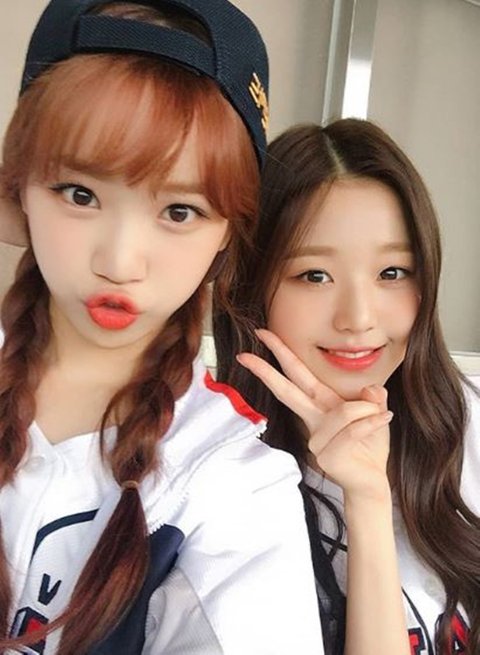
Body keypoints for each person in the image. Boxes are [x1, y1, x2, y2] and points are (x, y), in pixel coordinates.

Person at [0, 2, 325, 653]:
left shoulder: (232, 478)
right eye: (80, 194)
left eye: (179, 210)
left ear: (228, 233)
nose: (121, 262)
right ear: (19, 193)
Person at [214, 118, 480, 655]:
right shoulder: (218, 480)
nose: (358, 319)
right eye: (314, 275)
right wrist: (365, 498)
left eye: (392, 273)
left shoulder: (469, 424)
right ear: (252, 287)